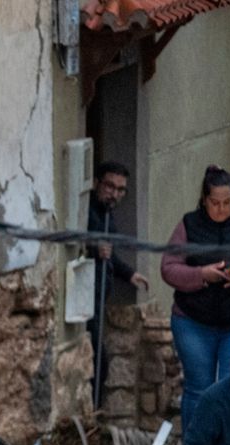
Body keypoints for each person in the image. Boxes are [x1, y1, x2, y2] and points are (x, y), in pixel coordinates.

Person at [161, 165, 230, 433]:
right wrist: (201, 274)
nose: (221, 209)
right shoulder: (188, 225)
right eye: (215, 203)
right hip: (193, 320)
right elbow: (169, 268)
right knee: (198, 387)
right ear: (204, 200)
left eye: (227, 202)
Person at [86, 161, 151, 407]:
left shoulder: (106, 213)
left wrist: (129, 274)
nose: (114, 194)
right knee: (97, 363)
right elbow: (78, 243)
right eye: (110, 186)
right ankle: (92, 417)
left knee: (101, 364)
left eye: (120, 189)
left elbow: (108, 252)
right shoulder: (88, 212)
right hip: (86, 300)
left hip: (99, 298)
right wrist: (92, 247)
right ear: (96, 184)